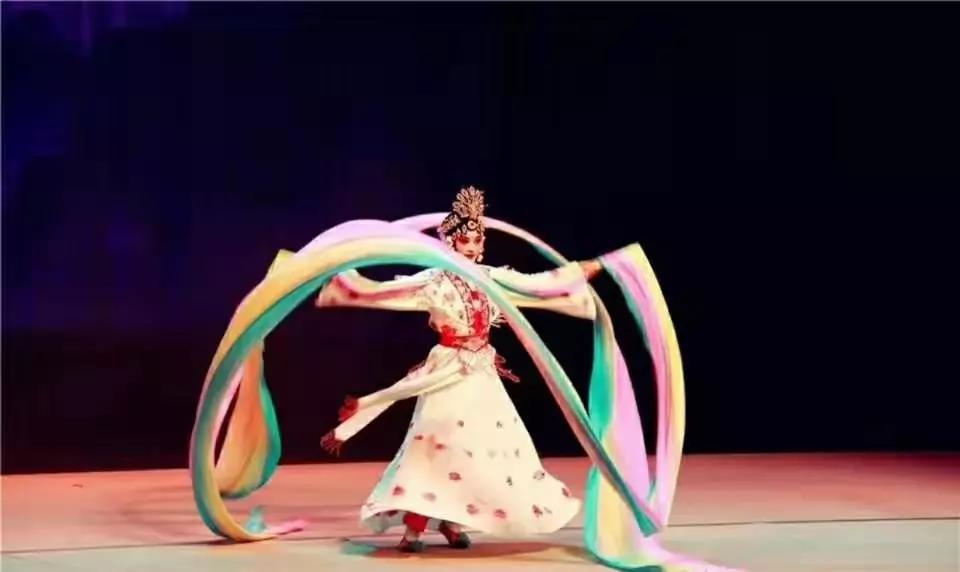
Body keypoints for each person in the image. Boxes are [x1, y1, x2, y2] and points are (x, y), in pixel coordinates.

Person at [318, 186, 602, 552]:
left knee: (480, 449)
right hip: (448, 369)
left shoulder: (490, 277)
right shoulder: (433, 280)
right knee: (437, 445)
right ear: (449, 242)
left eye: (477, 239)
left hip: (481, 373)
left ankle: (452, 523)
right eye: (464, 239)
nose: (471, 246)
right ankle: (414, 529)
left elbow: (535, 285)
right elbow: (383, 291)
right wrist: (335, 272)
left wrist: (583, 271)